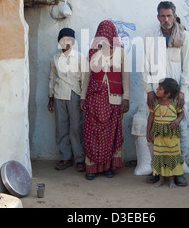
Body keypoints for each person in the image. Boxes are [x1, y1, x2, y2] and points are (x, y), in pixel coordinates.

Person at [142, 1, 189, 186]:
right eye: (162, 16)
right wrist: (149, 90)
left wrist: (183, 91)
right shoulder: (150, 36)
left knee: (181, 133)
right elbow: (145, 65)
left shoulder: (183, 36)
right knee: (153, 133)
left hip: (176, 92)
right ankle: (157, 170)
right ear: (158, 17)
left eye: (169, 15)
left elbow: (187, 67)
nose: (166, 19)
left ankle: (178, 171)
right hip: (157, 91)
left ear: (174, 15)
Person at [80, 20, 130, 180]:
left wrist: (126, 98)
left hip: (114, 100)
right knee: (93, 133)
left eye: (109, 33)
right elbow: (87, 76)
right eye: (103, 33)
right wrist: (82, 97)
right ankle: (91, 168)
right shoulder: (93, 52)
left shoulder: (121, 53)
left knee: (111, 133)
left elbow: (125, 76)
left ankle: (109, 167)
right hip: (94, 99)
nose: (106, 37)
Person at [48, 28, 87, 172]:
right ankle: (66, 157)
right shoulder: (55, 58)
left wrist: (83, 98)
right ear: (59, 42)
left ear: (73, 41)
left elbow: (84, 79)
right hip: (59, 95)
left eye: (69, 39)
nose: (66, 42)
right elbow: (52, 78)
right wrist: (50, 97)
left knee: (76, 127)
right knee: (61, 127)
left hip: (74, 95)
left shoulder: (80, 57)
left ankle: (79, 158)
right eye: (63, 40)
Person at [146, 78, 184, 188]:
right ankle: (161, 179)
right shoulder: (155, 103)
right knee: (159, 155)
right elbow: (150, 118)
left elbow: (181, 114)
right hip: (159, 136)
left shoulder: (175, 103)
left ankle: (172, 180)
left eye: (160, 89)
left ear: (167, 94)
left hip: (172, 136)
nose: (157, 89)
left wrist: (177, 121)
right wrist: (147, 132)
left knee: (171, 156)